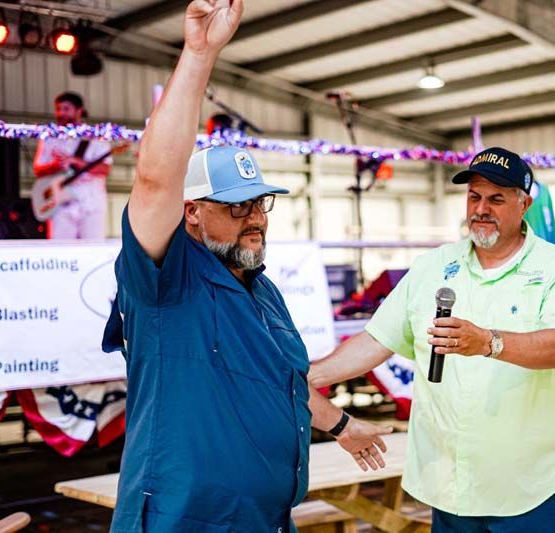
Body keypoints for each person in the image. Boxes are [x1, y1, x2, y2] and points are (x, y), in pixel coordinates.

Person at [103, 1, 391, 531]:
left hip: (265, 518)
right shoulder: (167, 282)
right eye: (237, 206)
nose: (255, 218)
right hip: (184, 521)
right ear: (191, 213)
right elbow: (155, 179)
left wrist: (341, 425)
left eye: (260, 203)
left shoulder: (263, 291)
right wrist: (199, 55)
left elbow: (282, 381)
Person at [310, 147, 555, 531]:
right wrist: (309, 377)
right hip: (452, 487)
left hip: (531, 487)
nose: (481, 209)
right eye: (474, 197)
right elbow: (376, 340)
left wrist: (489, 342)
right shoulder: (433, 266)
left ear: (524, 204)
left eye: (496, 199)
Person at [33, 91, 112, 239]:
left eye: (66, 109)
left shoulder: (95, 137)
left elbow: (105, 169)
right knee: (60, 250)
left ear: (79, 111)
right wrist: (56, 165)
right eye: (58, 109)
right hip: (60, 204)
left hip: (91, 203)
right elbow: (38, 170)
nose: (61, 113)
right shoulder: (49, 138)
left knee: (93, 248)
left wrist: (75, 161)